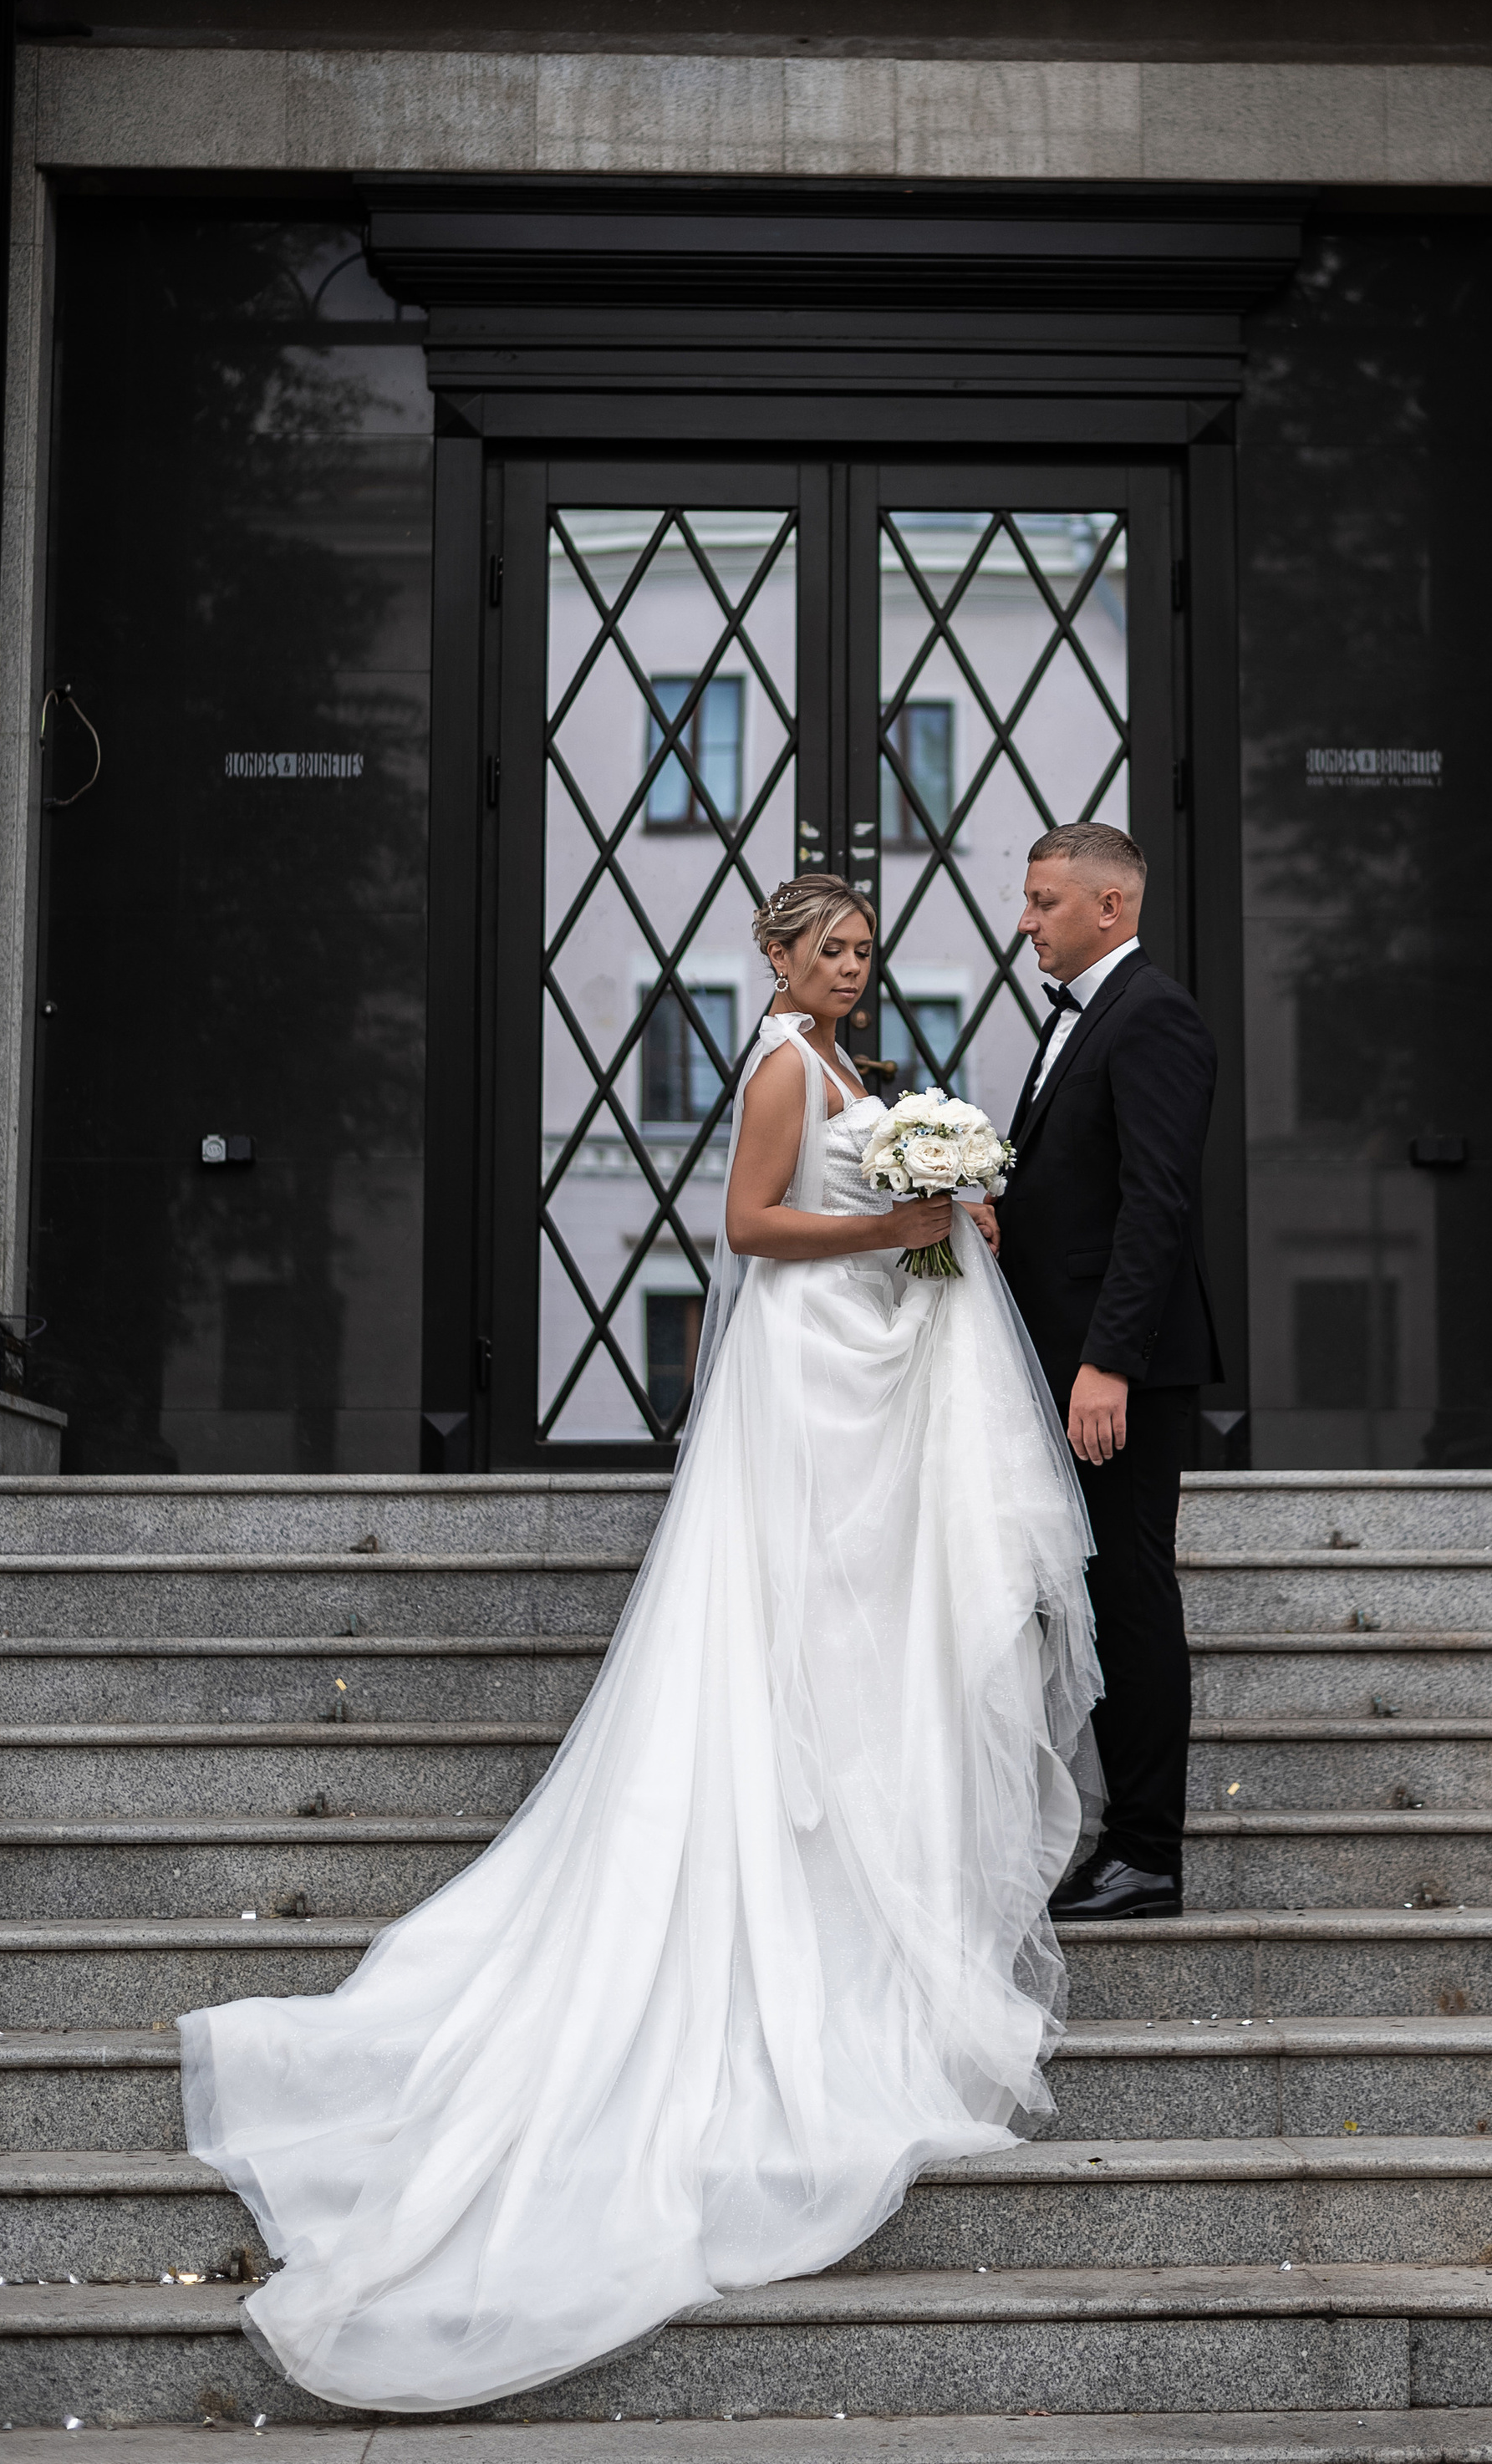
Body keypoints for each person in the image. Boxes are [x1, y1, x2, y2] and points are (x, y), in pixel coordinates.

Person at [179, 875, 1098, 2416]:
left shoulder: (851, 1064)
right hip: (804, 1379)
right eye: (829, 947)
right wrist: (898, 1222)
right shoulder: (782, 1063)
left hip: (854, 1368)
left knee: (847, 1649)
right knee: (784, 1633)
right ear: (777, 955)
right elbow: (747, 1226)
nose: (852, 966)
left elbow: (856, 1217)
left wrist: (940, 1219)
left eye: (863, 948)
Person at [995, 821, 1220, 1922]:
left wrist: (1108, 1365)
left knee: (1128, 1592)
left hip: (1113, 1372)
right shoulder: (1085, 1015)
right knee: (1095, 1590)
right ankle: (1118, 1841)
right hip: (1063, 1360)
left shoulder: (1153, 1014)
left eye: (1044, 900)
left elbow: (1156, 1205)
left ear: (1110, 907)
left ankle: (1145, 1855)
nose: (1025, 921)